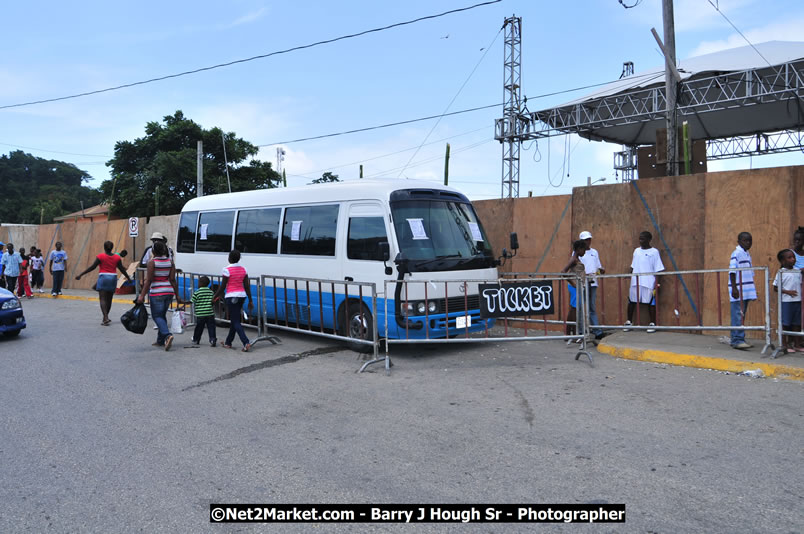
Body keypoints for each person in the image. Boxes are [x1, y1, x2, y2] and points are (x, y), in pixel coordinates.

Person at [135, 241, 180, 351]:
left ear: (153, 251)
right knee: (162, 315)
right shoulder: (170, 262)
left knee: (157, 316)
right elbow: (173, 280)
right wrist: (177, 295)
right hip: (169, 292)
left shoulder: (152, 262)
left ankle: (167, 335)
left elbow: (149, 280)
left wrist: (142, 296)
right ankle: (160, 340)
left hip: (157, 292)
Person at [76, 241, 132, 326]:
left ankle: (105, 317)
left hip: (103, 278)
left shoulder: (100, 256)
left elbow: (92, 267)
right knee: (109, 299)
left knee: (102, 299)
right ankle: (105, 317)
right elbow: (122, 269)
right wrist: (128, 278)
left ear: (104, 248)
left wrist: (81, 274)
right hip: (113, 278)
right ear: (112, 248)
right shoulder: (117, 258)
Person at [213, 249, 253, 352]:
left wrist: (215, 296)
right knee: (235, 320)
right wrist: (250, 300)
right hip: (242, 296)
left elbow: (222, 287)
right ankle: (228, 342)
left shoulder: (226, 269)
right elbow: (247, 286)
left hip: (231, 296)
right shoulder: (244, 269)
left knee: (235, 321)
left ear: (229, 258)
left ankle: (246, 342)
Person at [624, 231, 664, 333]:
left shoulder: (654, 252)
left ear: (649, 240)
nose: (640, 241)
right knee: (632, 302)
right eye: (640, 238)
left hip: (648, 282)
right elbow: (633, 266)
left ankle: (652, 323)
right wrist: (628, 275)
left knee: (650, 303)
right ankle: (629, 322)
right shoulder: (636, 251)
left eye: (643, 239)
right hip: (635, 281)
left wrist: (657, 283)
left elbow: (659, 269)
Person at [728, 231, 756, 350]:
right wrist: (734, 288)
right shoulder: (737, 253)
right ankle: (737, 340)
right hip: (738, 291)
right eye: (745, 240)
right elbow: (732, 271)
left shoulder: (746, 253)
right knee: (737, 315)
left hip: (746, 290)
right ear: (739, 242)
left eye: (750, 240)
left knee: (741, 315)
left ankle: (739, 338)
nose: (748, 243)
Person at [773, 249, 803, 353]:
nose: (793, 259)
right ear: (782, 261)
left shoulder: (797, 270)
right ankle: (785, 345)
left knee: (796, 324)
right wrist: (787, 292)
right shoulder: (781, 272)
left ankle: (797, 344)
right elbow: (775, 288)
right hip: (786, 302)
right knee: (786, 323)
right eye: (789, 257)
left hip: (797, 301)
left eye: (793, 257)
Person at [579, 230, 606, 339]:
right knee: (581, 306)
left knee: (592, 307)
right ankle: (581, 330)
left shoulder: (595, 252)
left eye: (589, 239)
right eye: (586, 240)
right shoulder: (578, 252)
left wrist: (601, 270)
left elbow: (598, 266)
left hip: (593, 282)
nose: (588, 241)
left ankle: (597, 331)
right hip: (582, 282)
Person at [561, 240, 587, 344]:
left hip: (577, 287)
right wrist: (574, 284)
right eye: (584, 249)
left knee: (574, 309)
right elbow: (563, 272)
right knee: (574, 310)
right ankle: (571, 333)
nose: (585, 251)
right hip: (575, 287)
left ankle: (569, 333)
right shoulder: (574, 259)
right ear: (579, 249)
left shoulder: (577, 259)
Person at [191, 275, 217, 347]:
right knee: (211, 327)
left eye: (199, 282)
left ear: (201, 283)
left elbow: (192, 301)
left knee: (199, 328)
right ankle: (212, 339)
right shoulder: (211, 292)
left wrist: (183, 303)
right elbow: (213, 301)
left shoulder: (197, 292)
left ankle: (196, 339)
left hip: (200, 314)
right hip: (210, 313)